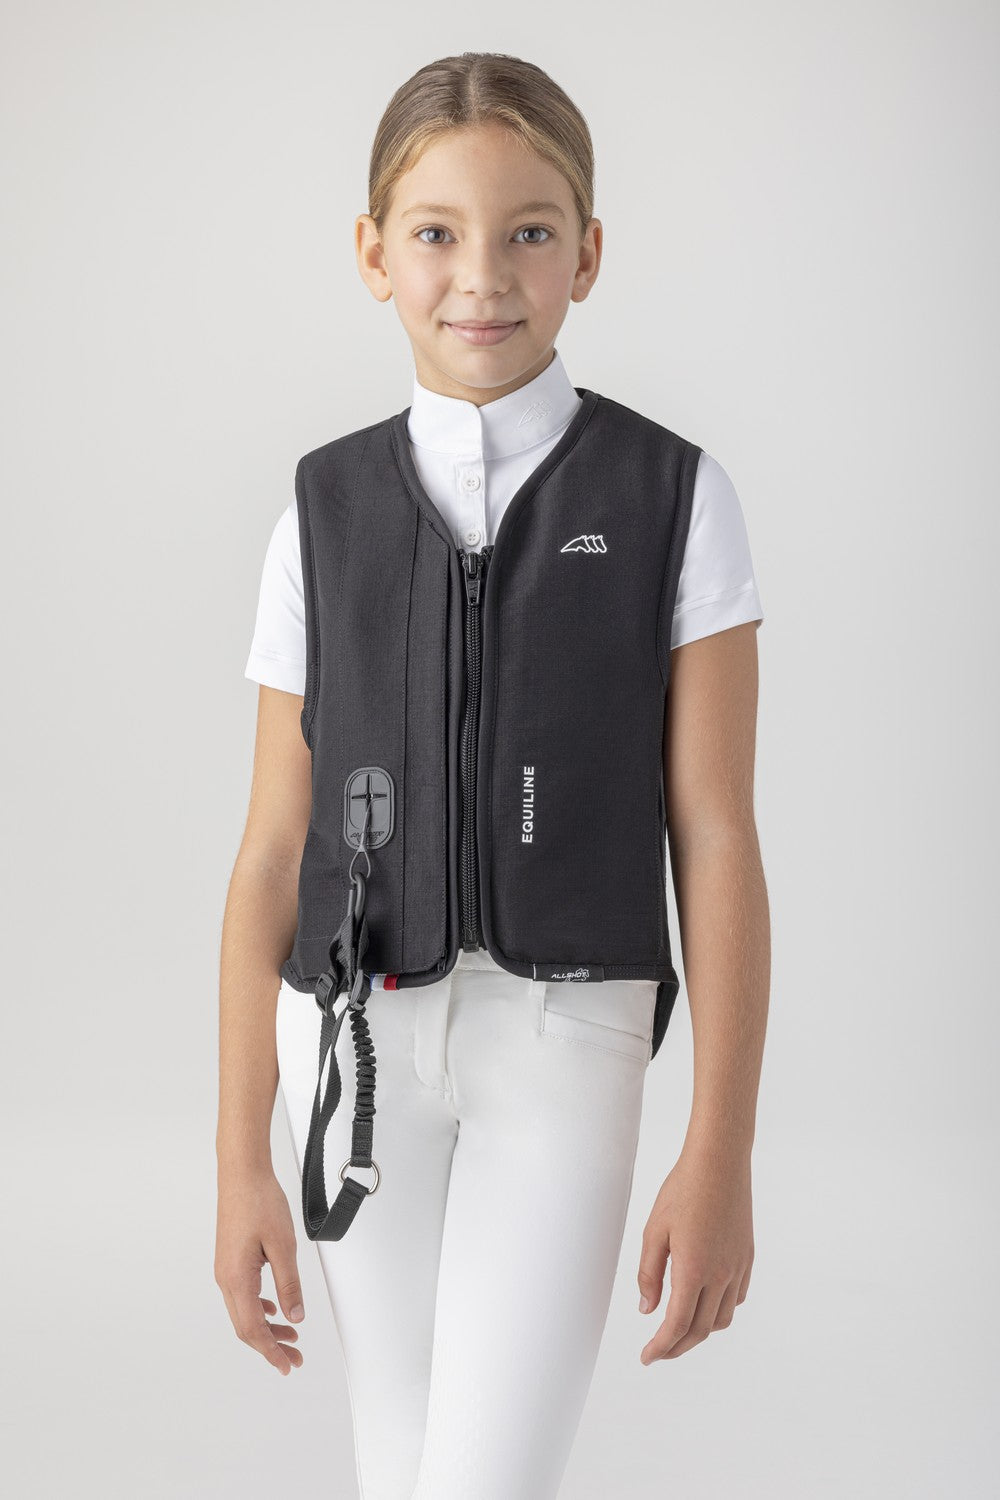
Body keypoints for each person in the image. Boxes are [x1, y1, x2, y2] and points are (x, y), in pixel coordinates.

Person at [215, 50, 770, 1500]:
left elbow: (715, 833)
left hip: (567, 1035)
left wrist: (719, 1149)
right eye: (436, 232)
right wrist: (239, 1159)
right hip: (348, 1049)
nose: (482, 276)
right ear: (373, 254)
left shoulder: (672, 497)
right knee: (397, 1464)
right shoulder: (320, 511)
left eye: (529, 230)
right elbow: (271, 849)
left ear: (587, 252)